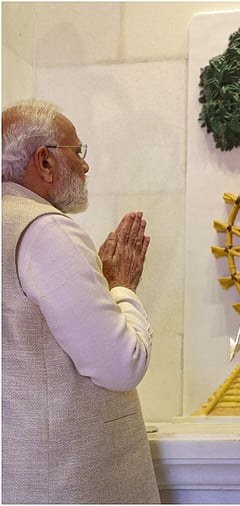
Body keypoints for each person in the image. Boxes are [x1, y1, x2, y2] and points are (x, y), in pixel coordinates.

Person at [1, 99, 158, 502]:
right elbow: (121, 364)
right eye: (77, 152)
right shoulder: (46, 231)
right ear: (45, 162)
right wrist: (121, 285)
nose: (85, 166)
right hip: (67, 481)